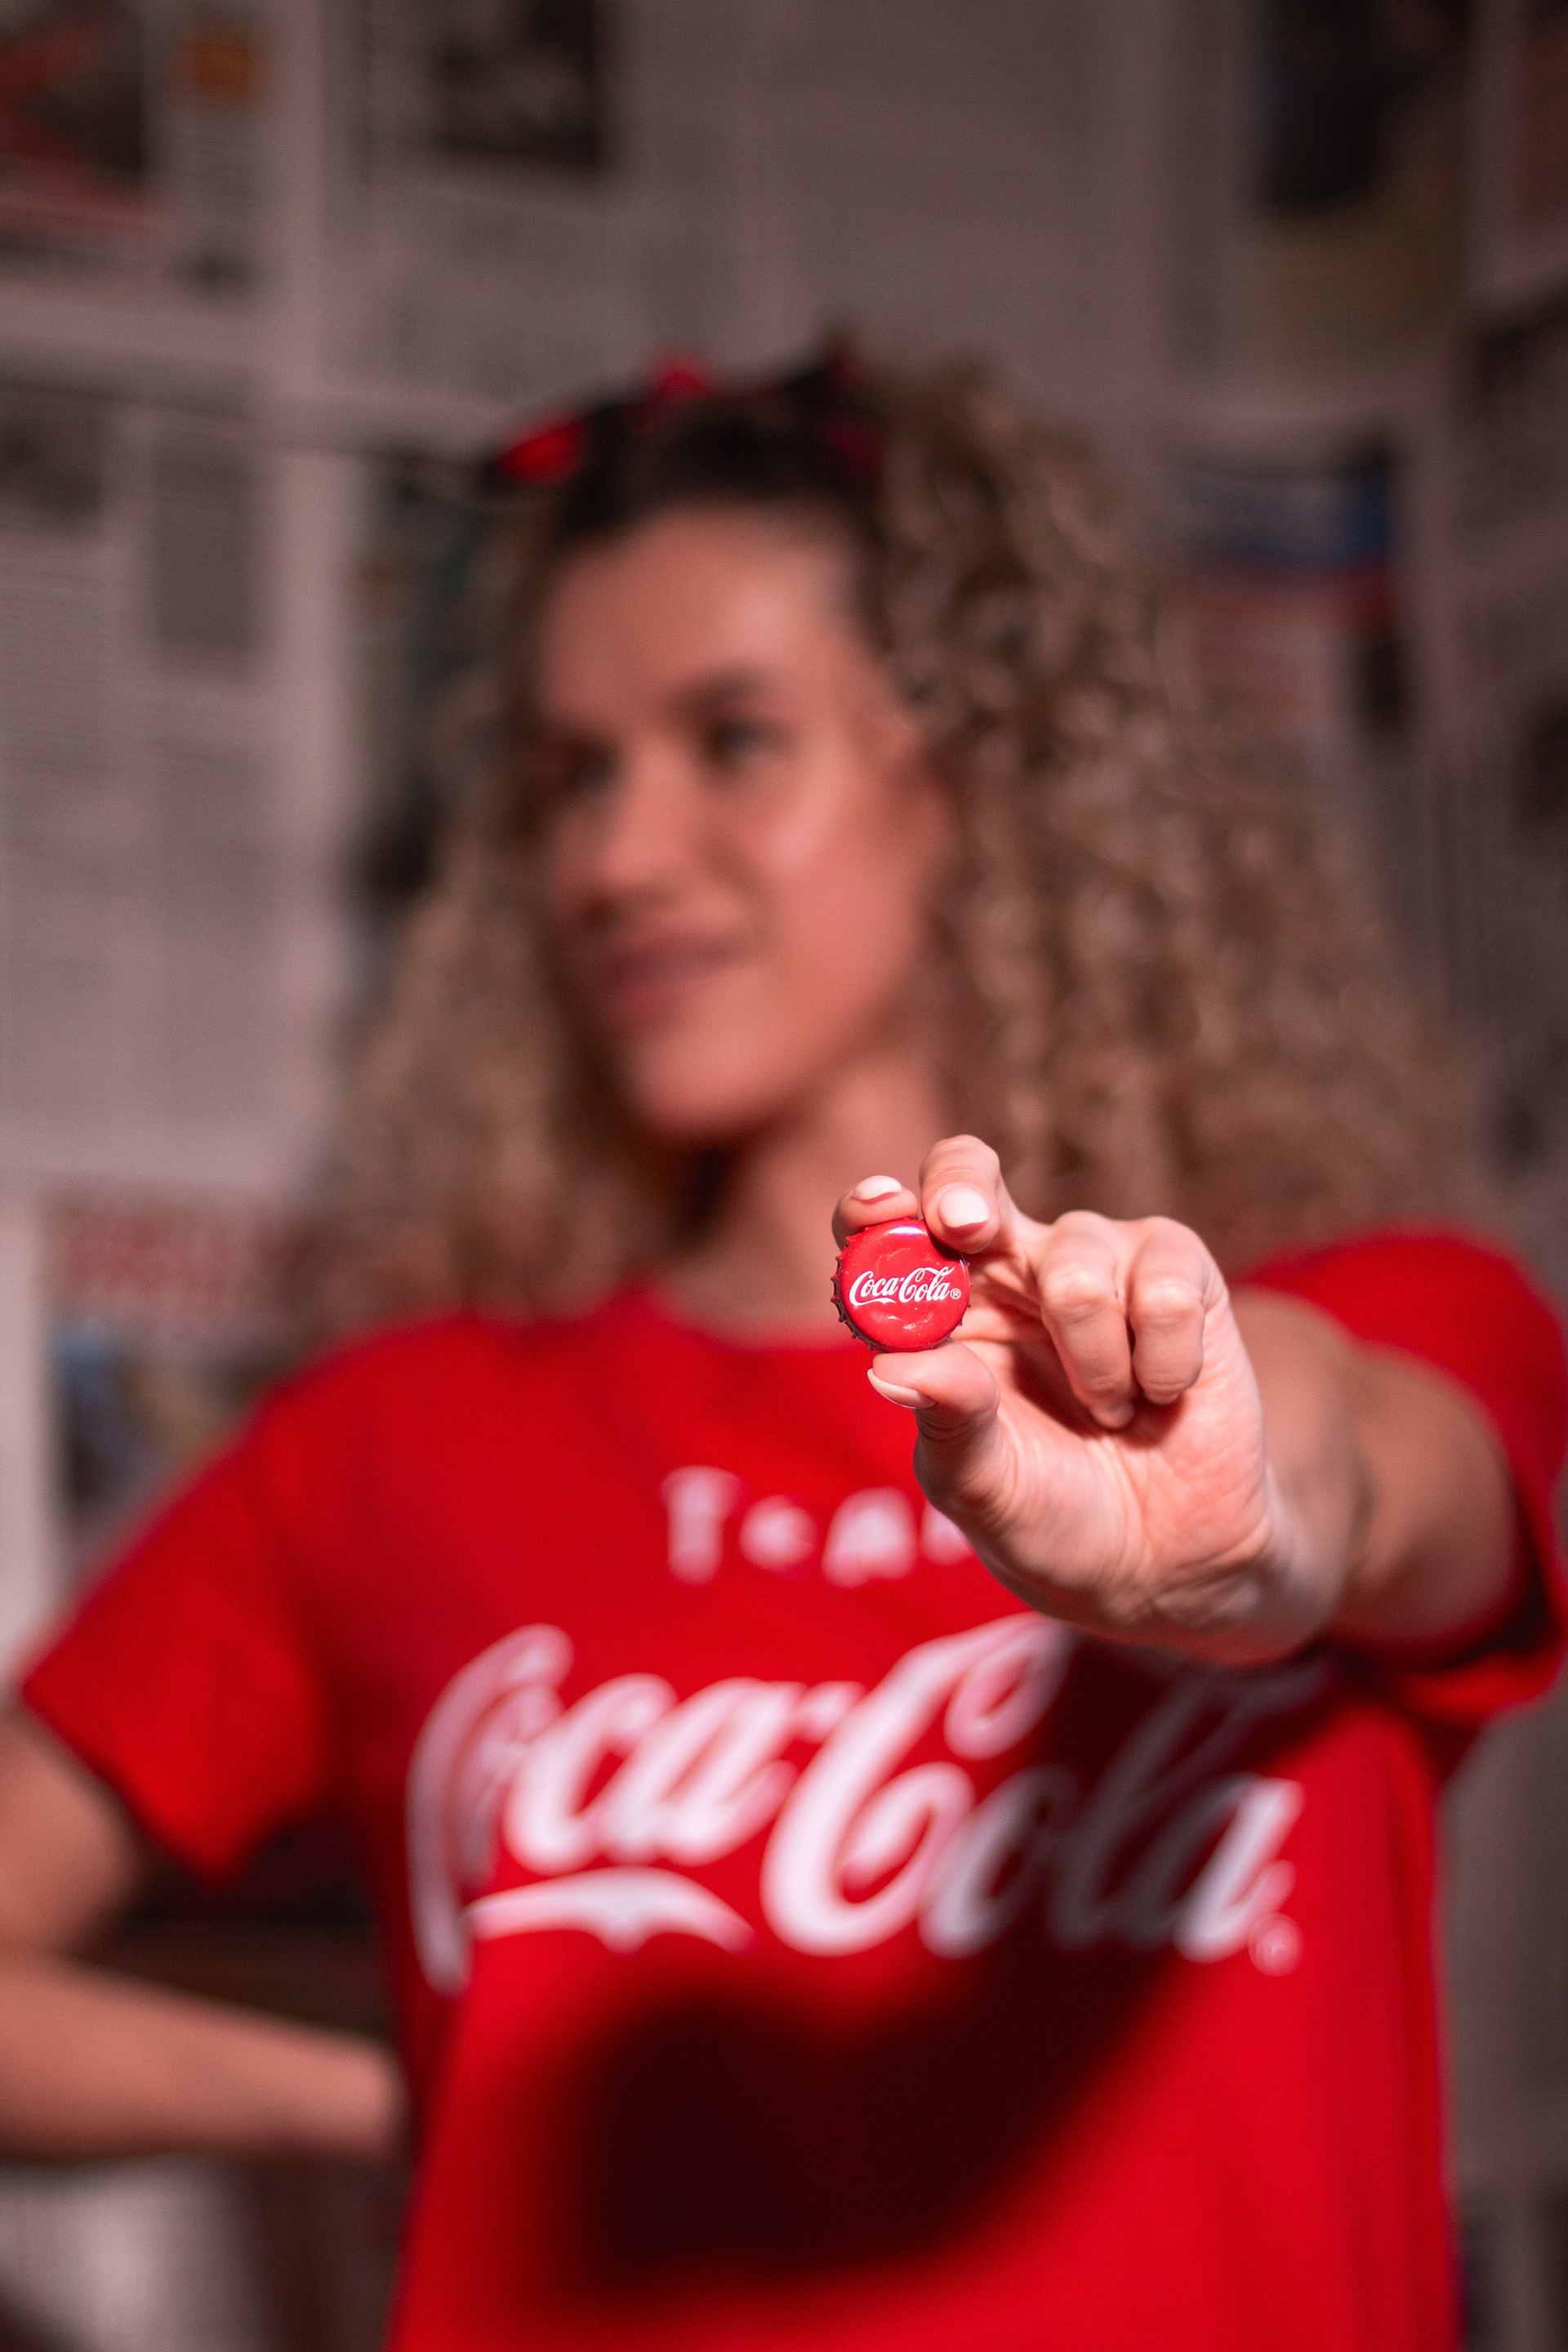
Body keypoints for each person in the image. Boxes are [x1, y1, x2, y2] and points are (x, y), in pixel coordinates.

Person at [0, 351, 1562, 2352]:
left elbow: (1355, 1479)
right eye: (575, 778)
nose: (617, 860)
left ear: (986, 772)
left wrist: (1248, 1516)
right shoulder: (382, 1444)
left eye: (732, 740)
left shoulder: (1384, 1320)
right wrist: (413, 2093)